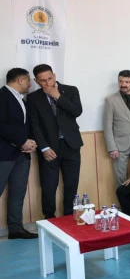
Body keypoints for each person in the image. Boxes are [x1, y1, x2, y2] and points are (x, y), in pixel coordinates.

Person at [27, 64, 82, 218]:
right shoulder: (33, 98)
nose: (48, 83)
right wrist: (44, 148)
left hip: (71, 145)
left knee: (71, 185)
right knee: (49, 187)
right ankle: (49, 220)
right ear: (36, 81)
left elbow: (77, 111)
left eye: (50, 78)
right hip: (49, 148)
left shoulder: (71, 90)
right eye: (43, 81)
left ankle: (69, 218)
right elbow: (34, 125)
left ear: (55, 76)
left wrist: (58, 96)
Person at [0, 68, 37, 238]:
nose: (30, 85)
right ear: (20, 80)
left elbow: (24, 125)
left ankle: (16, 229)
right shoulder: (2, 96)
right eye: (28, 80)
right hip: (4, 154)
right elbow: (2, 125)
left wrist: (29, 143)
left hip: (22, 154)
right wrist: (21, 141)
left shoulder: (22, 100)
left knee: (18, 192)